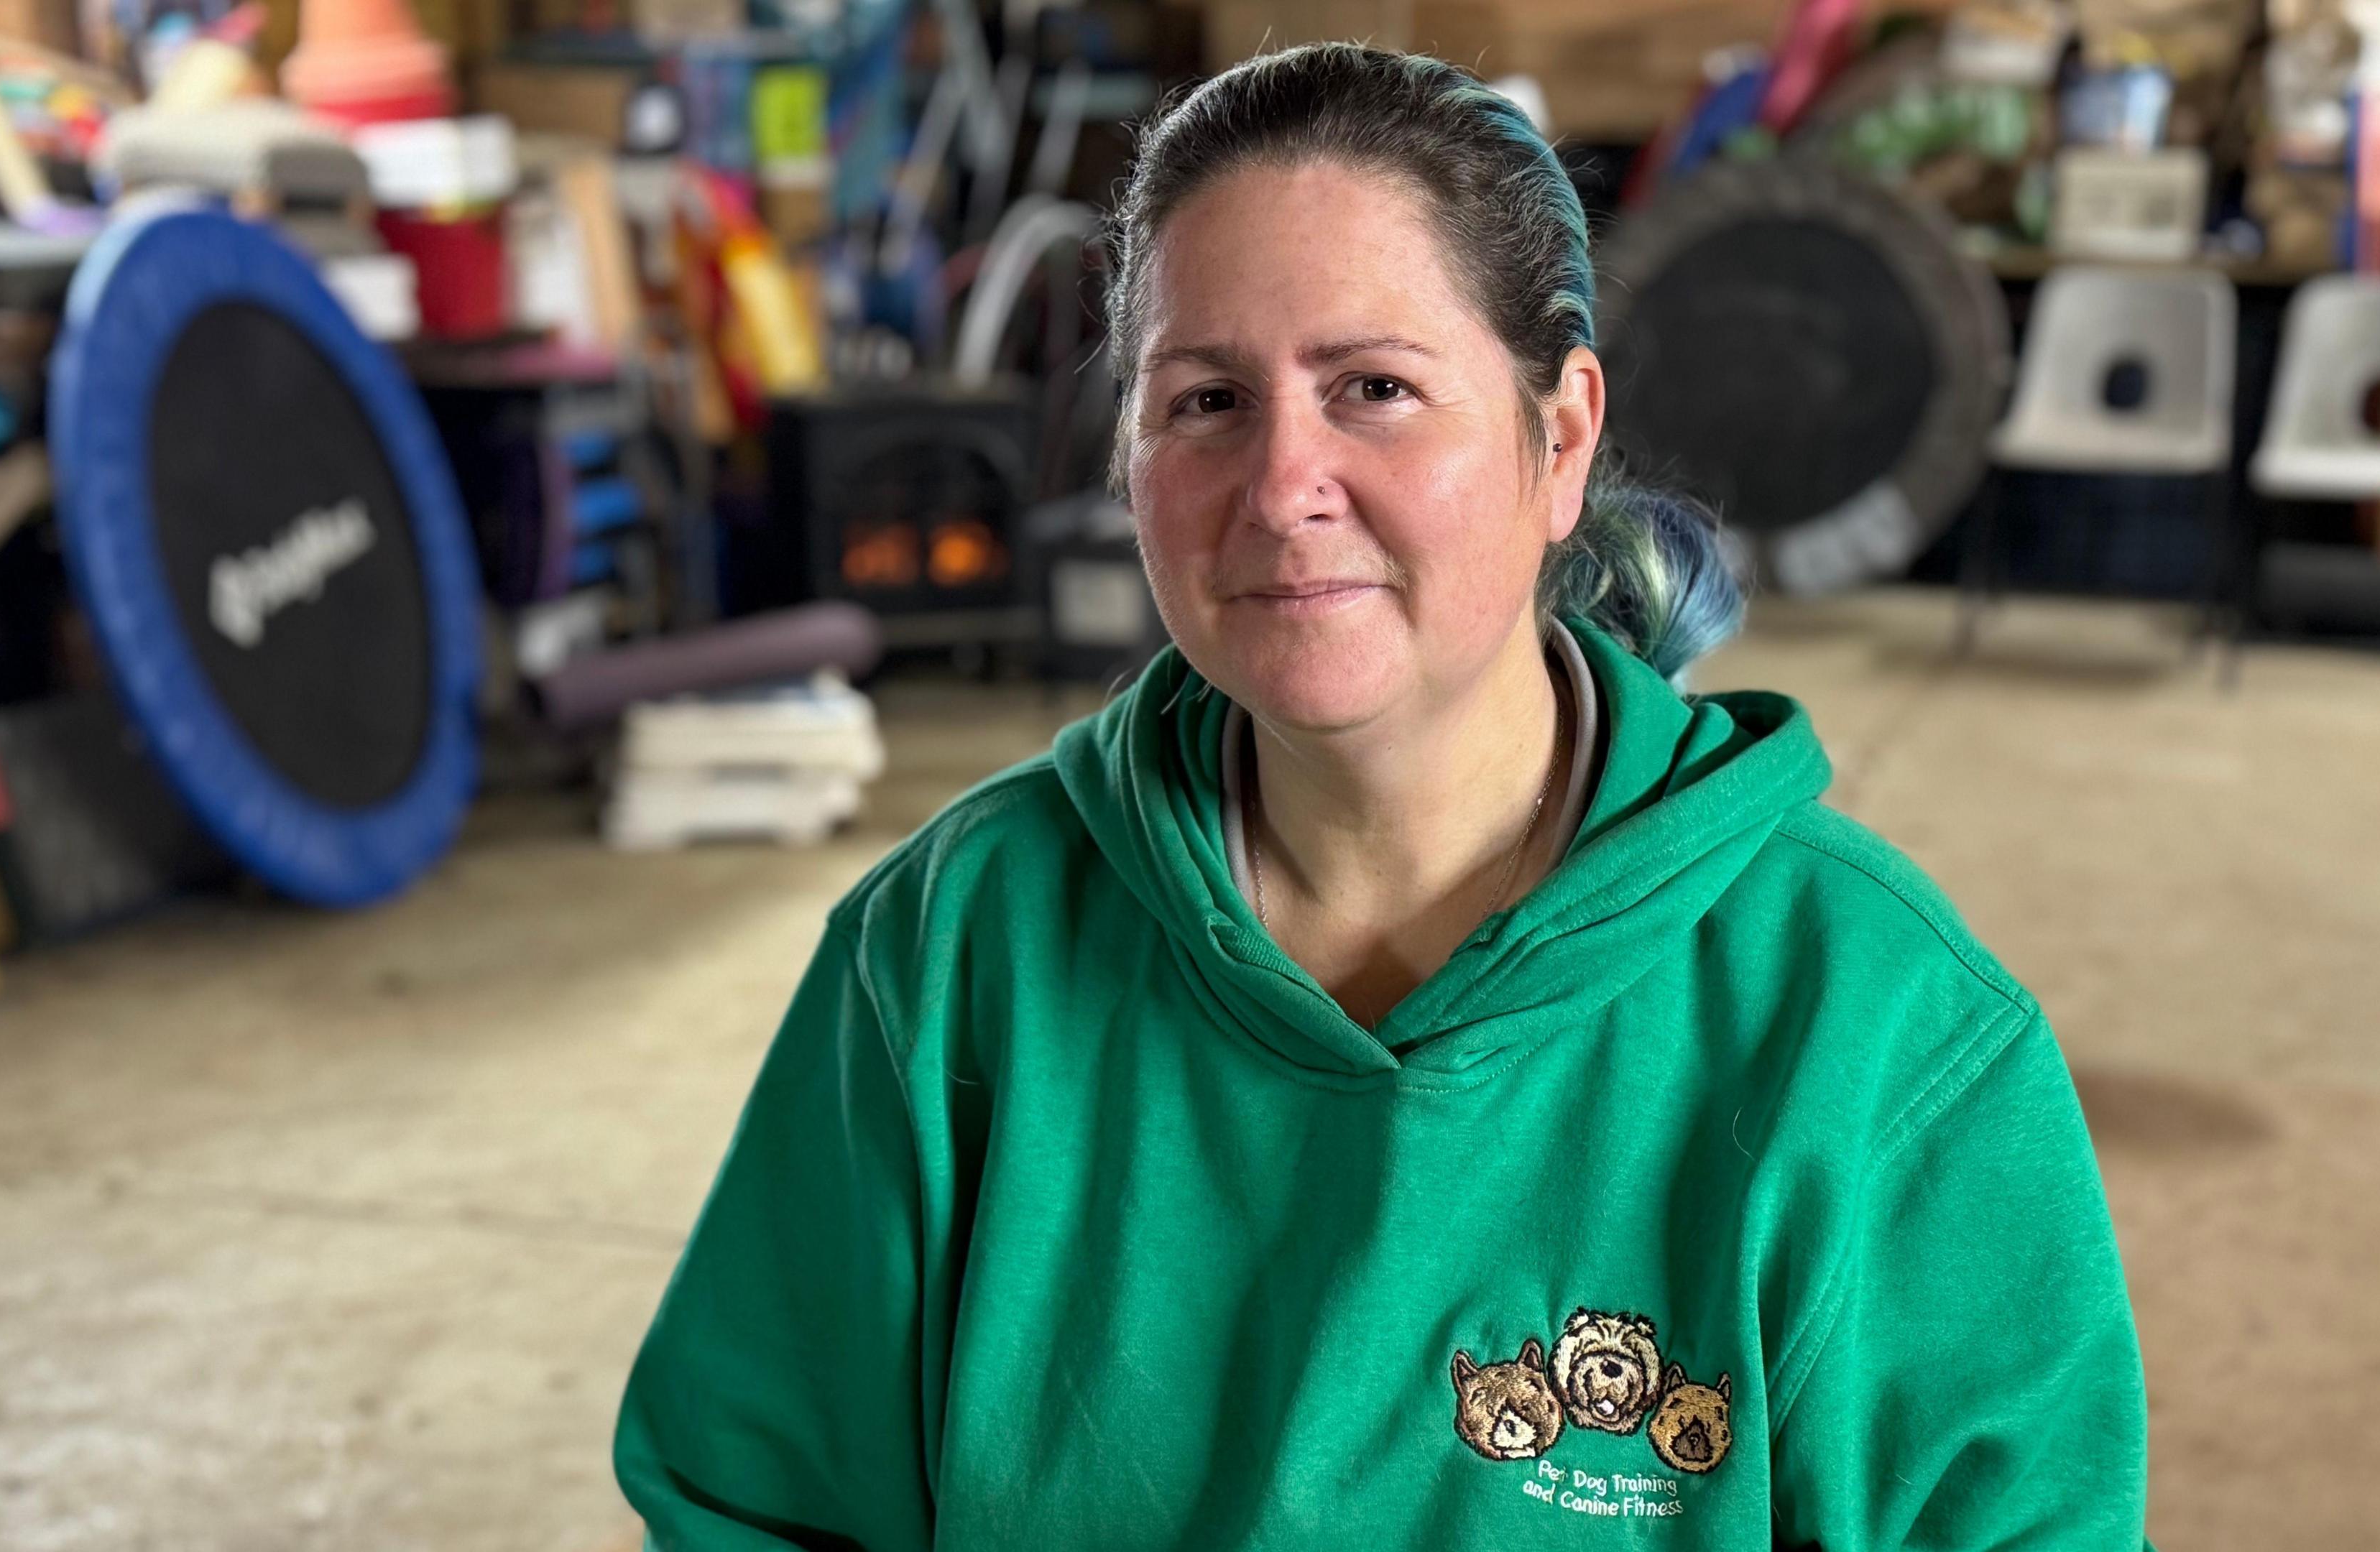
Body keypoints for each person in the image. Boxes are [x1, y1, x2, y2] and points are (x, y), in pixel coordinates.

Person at [616, 42, 2146, 1550]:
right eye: (1206, 400)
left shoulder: (1878, 1030)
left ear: (1561, 440)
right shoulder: (954, 954)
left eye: (1375, 387)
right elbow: (758, 1509)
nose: (1285, 485)